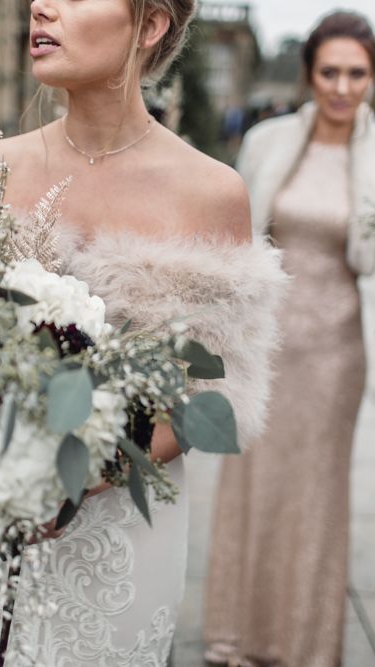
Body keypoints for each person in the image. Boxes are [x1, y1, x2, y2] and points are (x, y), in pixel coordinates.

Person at [0, 1, 286, 664]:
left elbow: (215, 395)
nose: (41, 6)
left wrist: (80, 470)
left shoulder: (211, 193)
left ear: (148, 25)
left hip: (120, 531)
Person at [204, 11, 375, 667]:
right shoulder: (269, 141)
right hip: (266, 339)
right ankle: (234, 637)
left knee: (314, 490)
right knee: (250, 480)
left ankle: (304, 642)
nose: (340, 86)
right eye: (328, 71)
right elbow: (237, 234)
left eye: (355, 73)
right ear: (308, 73)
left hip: (334, 350)